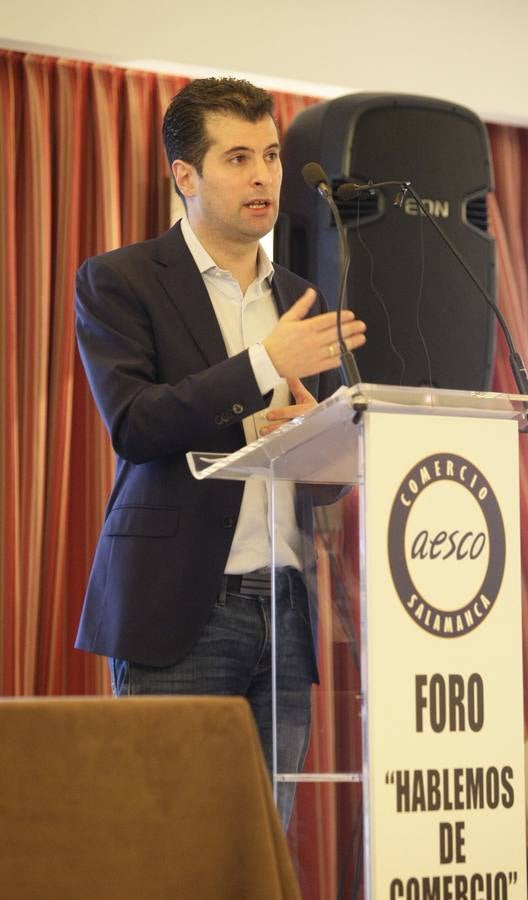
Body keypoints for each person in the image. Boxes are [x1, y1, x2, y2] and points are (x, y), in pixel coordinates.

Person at [74, 76, 367, 828]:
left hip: (287, 609)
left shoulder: (299, 295)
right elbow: (136, 424)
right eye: (238, 158)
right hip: (181, 608)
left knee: (263, 842)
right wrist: (264, 364)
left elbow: (319, 483)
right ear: (186, 175)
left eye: (270, 155)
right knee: (171, 840)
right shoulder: (121, 280)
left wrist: (322, 437)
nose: (263, 175)